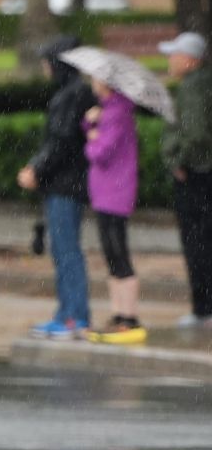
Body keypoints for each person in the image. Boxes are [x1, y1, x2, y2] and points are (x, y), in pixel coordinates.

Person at [19, 36, 96, 339]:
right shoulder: (76, 93)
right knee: (63, 250)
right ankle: (67, 313)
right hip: (67, 183)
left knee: (66, 251)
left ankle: (74, 316)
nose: (45, 68)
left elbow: (60, 142)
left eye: (47, 62)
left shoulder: (71, 96)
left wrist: (36, 169)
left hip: (66, 185)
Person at [82, 81, 145, 343]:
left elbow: (102, 152)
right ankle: (118, 314)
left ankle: (129, 316)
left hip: (116, 191)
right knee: (110, 251)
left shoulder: (118, 113)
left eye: (96, 78)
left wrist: (90, 138)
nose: (93, 82)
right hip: (104, 191)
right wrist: (89, 124)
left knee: (118, 250)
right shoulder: (108, 110)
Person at [159, 31, 212, 328]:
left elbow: (197, 133)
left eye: (174, 54)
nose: (170, 60)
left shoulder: (192, 88)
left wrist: (179, 161)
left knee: (197, 243)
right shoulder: (201, 84)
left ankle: (203, 309)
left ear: (190, 60)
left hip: (197, 175)